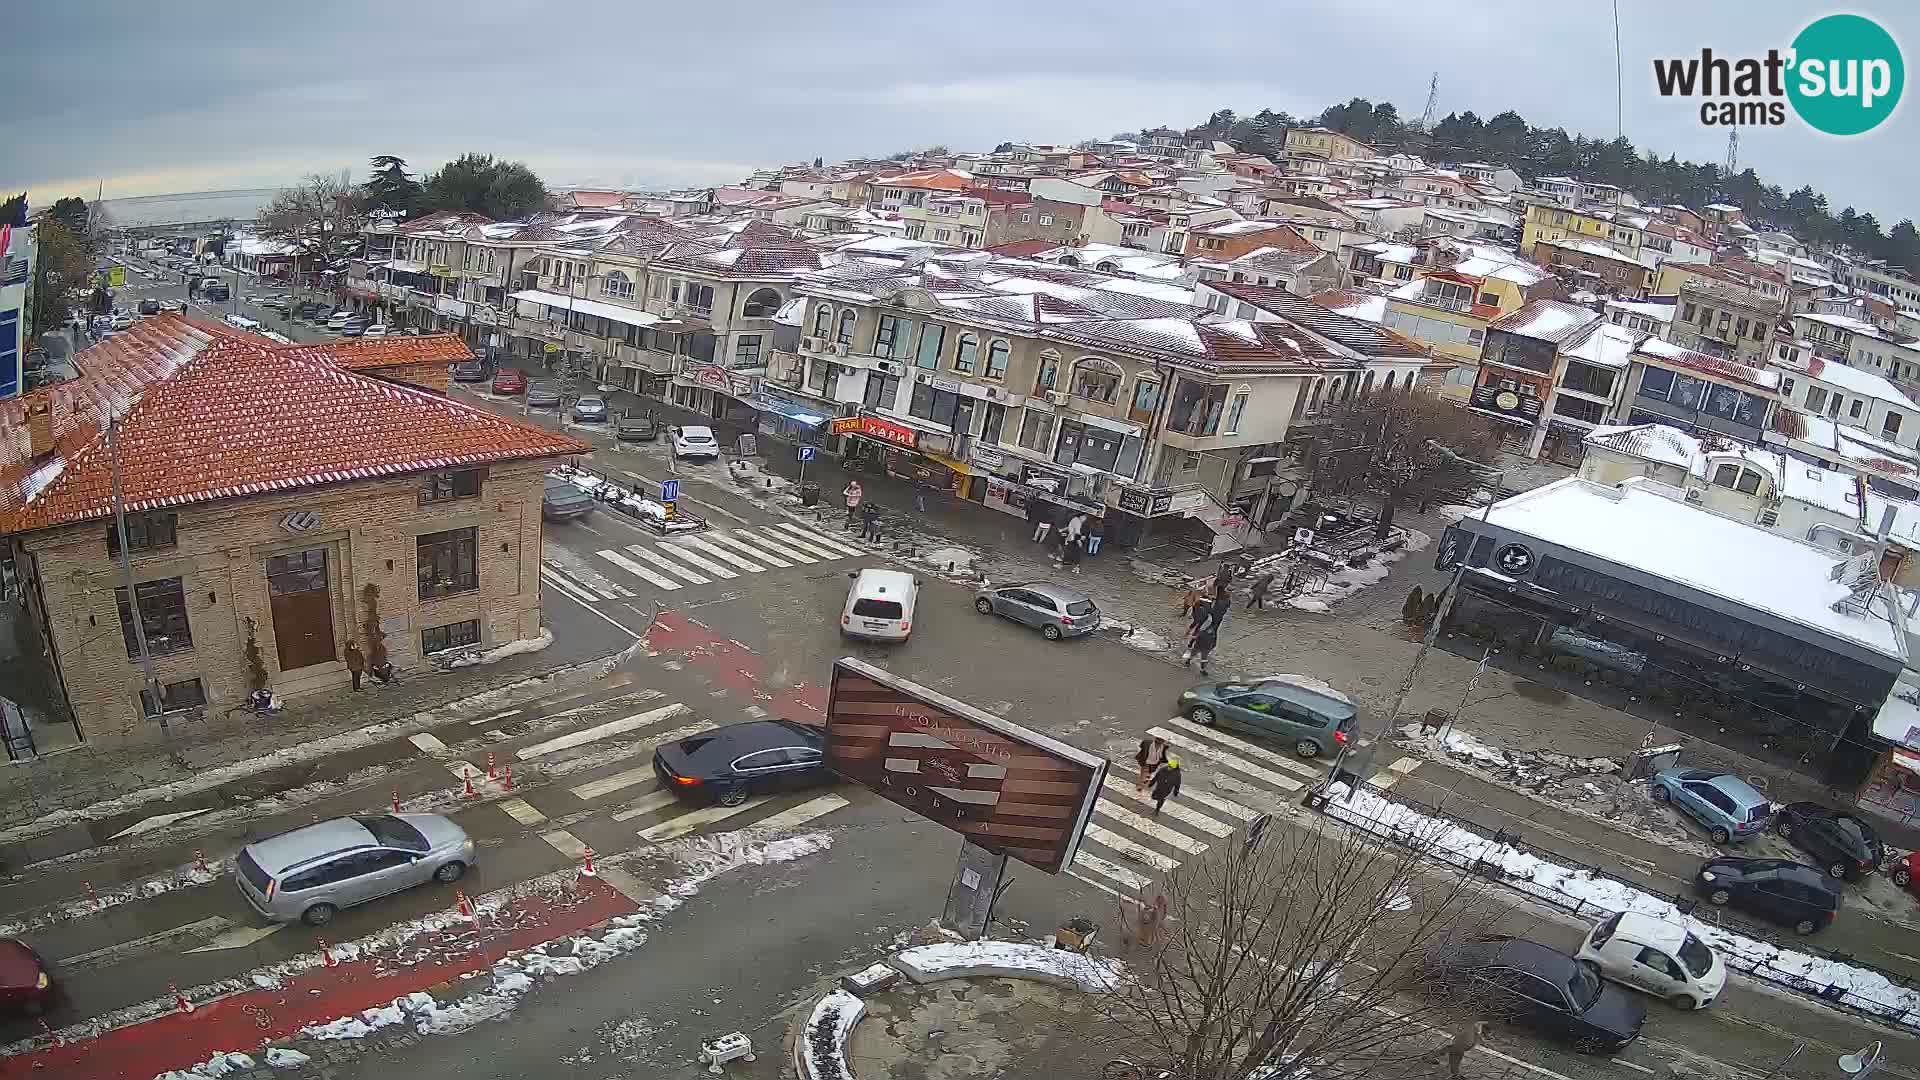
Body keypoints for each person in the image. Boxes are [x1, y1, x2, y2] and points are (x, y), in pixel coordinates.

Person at [1184, 611, 1220, 675]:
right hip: (1205, 647)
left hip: (1201, 646)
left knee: (1197, 655)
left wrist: (1190, 637)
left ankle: (1190, 662)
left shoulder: (1202, 632)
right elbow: (1213, 639)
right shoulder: (1211, 632)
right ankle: (1201, 669)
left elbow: (1196, 637)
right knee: (1202, 657)